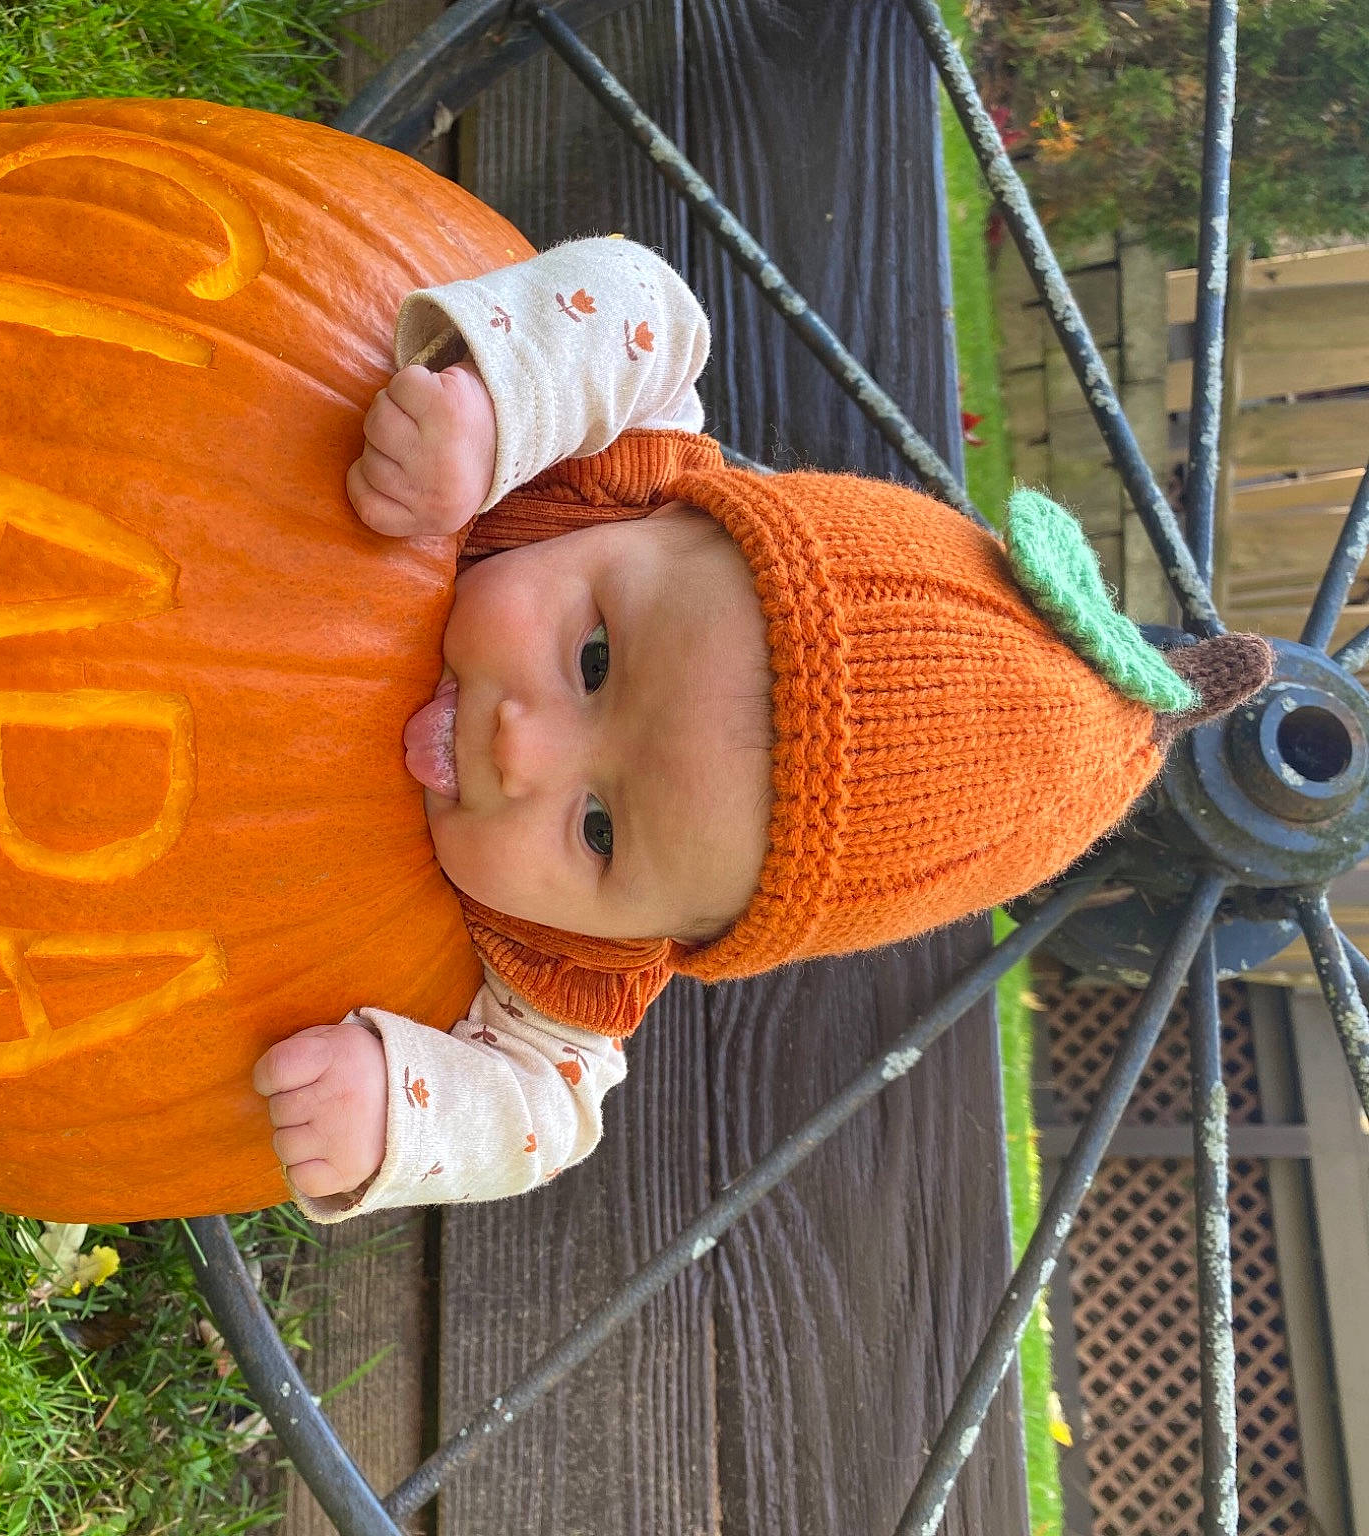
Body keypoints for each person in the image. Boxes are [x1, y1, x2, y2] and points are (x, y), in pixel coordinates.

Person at [250, 236, 1269, 1221]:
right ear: (671, 516)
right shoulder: (607, 477)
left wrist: (394, 1111)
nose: (520, 750)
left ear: (667, 934)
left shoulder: (575, 964)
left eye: (599, 831)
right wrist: (492, 413)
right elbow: (647, 311)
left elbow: (544, 1114)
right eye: (594, 662)